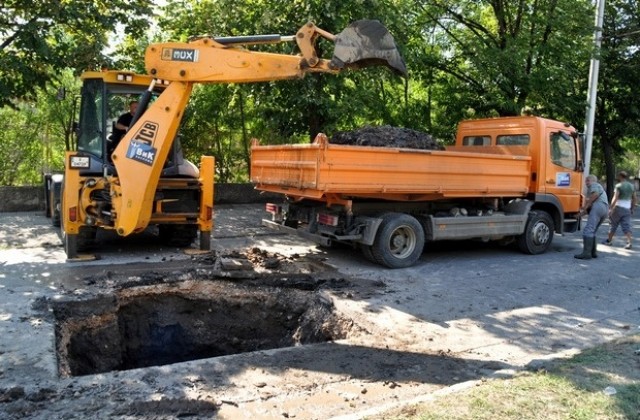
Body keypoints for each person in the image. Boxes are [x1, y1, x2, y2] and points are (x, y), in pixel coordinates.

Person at [575, 174, 609, 260]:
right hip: (605, 209)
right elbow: (589, 209)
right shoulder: (599, 187)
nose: (586, 183)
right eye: (586, 181)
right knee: (593, 230)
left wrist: (586, 205)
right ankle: (593, 253)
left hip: (598, 206)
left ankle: (586, 253)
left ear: (593, 181)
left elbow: (595, 195)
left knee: (588, 230)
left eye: (588, 180)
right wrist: (579, 215)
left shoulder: (594, 185)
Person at [602, 171, 636, 249]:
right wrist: (632, 208)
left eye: (618, 176)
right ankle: (629, 242)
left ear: (620, 176)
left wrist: (611, 208)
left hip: (618, 208)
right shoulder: (631, 186)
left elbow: (615, 197)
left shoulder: (619, 186)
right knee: (626, 226)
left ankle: (609, 241)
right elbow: (634, 198)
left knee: (613, 224)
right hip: (627, 208)